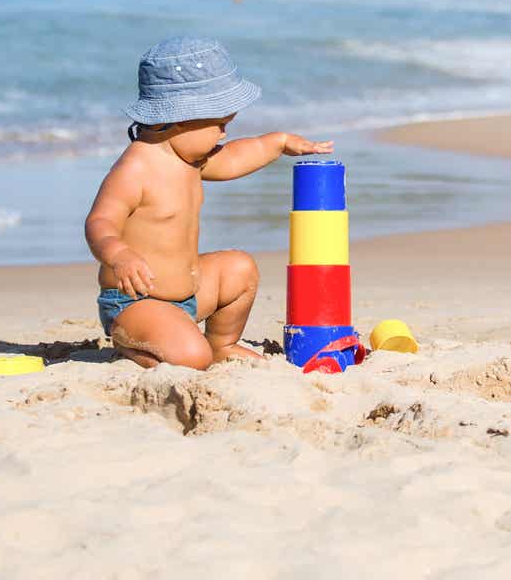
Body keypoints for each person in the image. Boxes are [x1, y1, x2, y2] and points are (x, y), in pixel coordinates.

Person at [86, 36, 333, 368]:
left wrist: (279, 143)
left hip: (189, 295)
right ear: (180, 118)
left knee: (238, 268)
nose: (223, 134)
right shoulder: (136, 169)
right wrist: (119, 255)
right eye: (219, 124)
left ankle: (223, 343)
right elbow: (100, 221)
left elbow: (235, 158)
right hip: (135, 303)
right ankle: (133, 346)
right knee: (191, 358)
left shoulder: (190, 158)